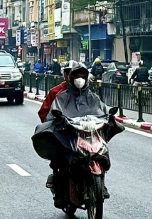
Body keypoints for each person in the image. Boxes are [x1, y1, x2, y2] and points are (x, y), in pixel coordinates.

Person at [43, 61, 107, 207]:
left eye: (82, 76)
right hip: (68, 134)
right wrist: (57, 122)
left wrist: (106, 120)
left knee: (102, 151)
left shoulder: (92, 96)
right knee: (62, 158)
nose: (79, 79)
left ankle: (101, 185)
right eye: (76, 75)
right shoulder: (59, 95)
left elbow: (101, 111)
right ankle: (61, 190)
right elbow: (47, 114)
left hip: (88, 133)